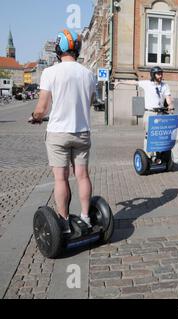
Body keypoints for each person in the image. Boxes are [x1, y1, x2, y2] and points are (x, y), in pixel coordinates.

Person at [29, 29, 97, 234]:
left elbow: (42, 108)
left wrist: (35, 117)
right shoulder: (88, 74)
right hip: (82, 132)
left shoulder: (50, 72)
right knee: (83, 176)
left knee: (61, 178)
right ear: (77, 49)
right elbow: (90, 102)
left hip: (58, 133)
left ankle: (65, 222)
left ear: (58, 49)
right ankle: (86, 218)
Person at [115, 66, 174, 150]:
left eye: (161, 74)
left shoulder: (165, 86)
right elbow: (133, 82)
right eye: (158, 74)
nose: (160, 76)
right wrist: (120, 82)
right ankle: (148, 155)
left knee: (160, 135)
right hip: (150, 113)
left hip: (161, 114)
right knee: (149, 135)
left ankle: (160, 155)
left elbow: (168, 98)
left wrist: (170, 105)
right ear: (153, 75)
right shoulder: (146, 83)